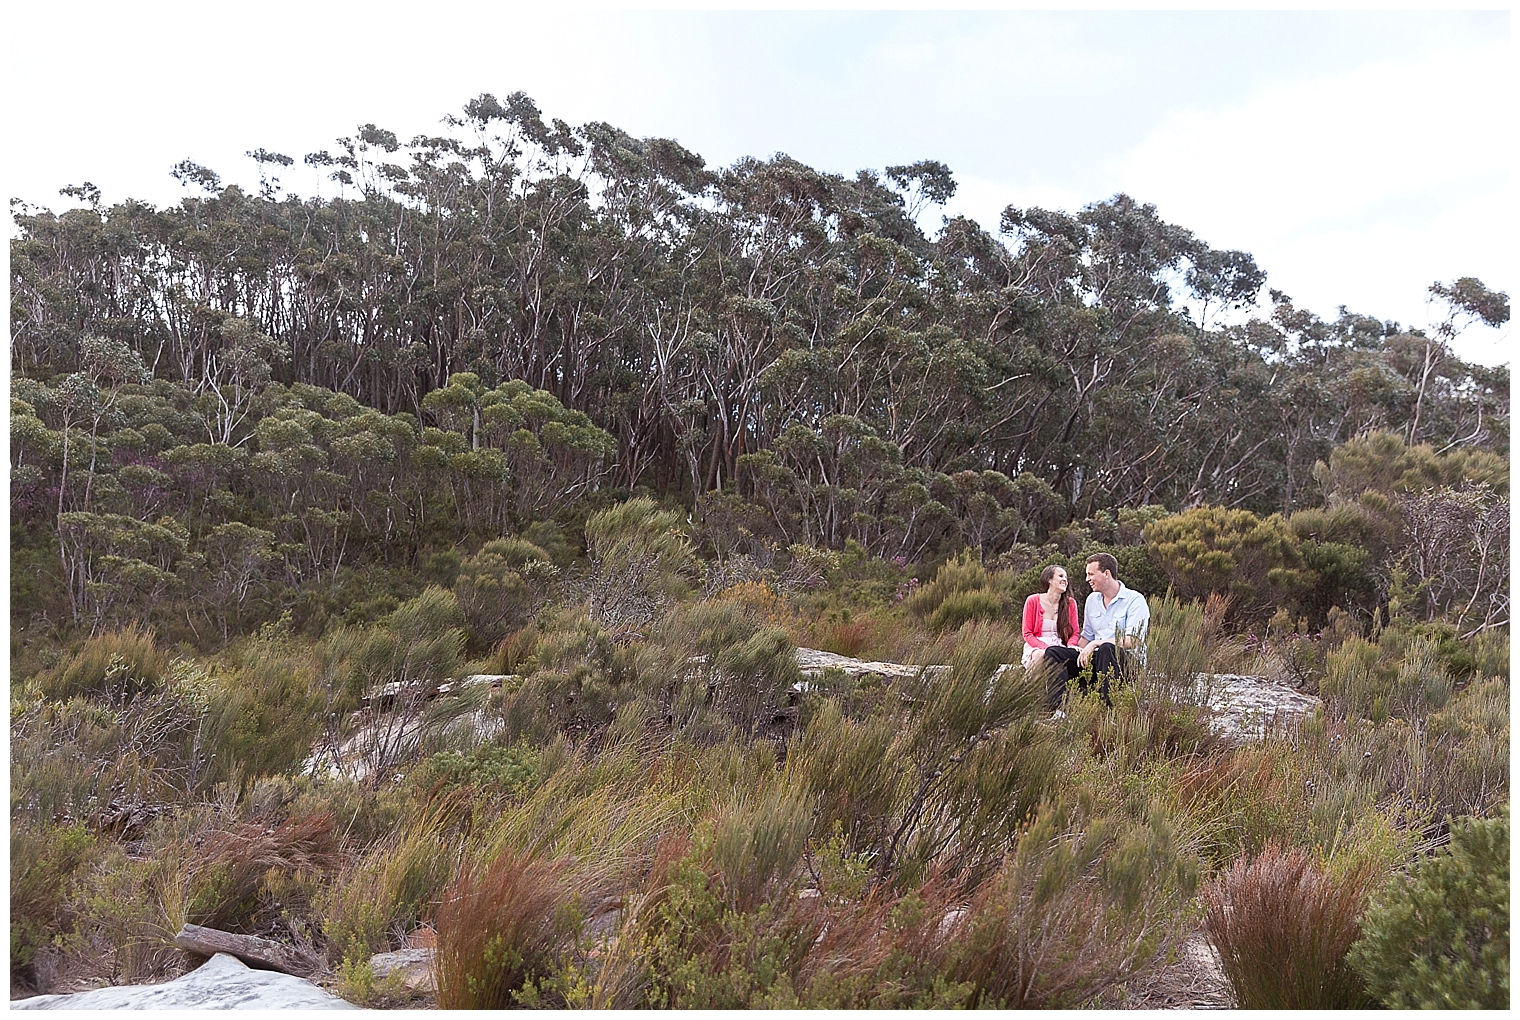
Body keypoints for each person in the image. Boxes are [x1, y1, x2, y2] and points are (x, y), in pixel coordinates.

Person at [1075, 552, 1150, 705]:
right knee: (1056, 653)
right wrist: (1075, 650)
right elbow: (1086, 637)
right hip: (1097, 659)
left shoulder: (1135, 600)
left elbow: (1133, 640)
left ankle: (1108, 708)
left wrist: (1097, 643)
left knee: (1107, 649)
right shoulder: (1092, 600)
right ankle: (1057, 710)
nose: (1087, 579)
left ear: (1106, 574)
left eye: (1091, 574)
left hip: (1128, 663)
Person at [1023, 564, 1084, 709]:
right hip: (1037, 644)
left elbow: (1075, 632)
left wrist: (1071, 646)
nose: (1065, 580)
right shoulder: (1033, 600)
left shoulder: (1070, 603)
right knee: (1040, 655)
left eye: (1066, 577)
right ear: (1049, 579)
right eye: (1061, 576)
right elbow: (1027, 633)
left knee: (1058, 657)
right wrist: (1045, 648)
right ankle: (1028, 693)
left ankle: (1055, 703)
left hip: (1060, 645)